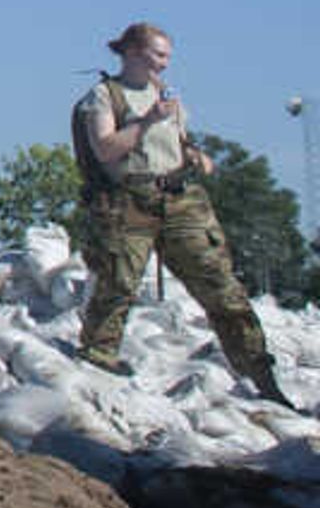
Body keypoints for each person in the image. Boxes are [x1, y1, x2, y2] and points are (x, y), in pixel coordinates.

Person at [71, 22, 294, 407]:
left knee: (221, 286)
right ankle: (99, 357)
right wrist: (147, 122)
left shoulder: (166, 96)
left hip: (177, 198)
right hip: (127, 201)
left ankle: (259, 372)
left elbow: (176, 138)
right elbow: (106, 149)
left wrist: (193, 154)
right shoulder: (104, 97)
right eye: (158, 55)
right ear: (133, 53)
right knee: (118, 284)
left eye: (167, 57)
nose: (164, 65)